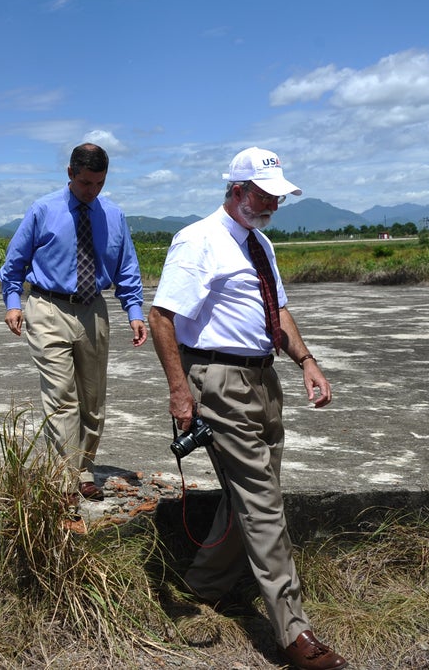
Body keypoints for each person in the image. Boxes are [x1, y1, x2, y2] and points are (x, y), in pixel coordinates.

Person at [148, 147, 346, 670]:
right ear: (236, 190)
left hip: (263, 377)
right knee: (263, 504)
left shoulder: (260, 245)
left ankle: (202, 585)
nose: (273, 206)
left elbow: (277, 310)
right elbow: (163, 316)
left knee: (252, 496)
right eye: (265, 195)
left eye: (278, 197)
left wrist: (306, 360)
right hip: (218, 379)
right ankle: (294, 633)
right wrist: (179, 390)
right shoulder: (198, 240)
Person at [0, 143, 148, 502]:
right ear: (70, 174)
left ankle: (85, 469)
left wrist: (135, 312)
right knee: (61, 397)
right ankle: (66, 480)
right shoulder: (43, 210)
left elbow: (127, 267)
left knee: (93, 400)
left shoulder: (113, 214)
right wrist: (12, 303)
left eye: (99, 183)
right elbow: (14, 263)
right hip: (48, 306)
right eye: (84, 183)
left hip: (93, 309)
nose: (91, 191)